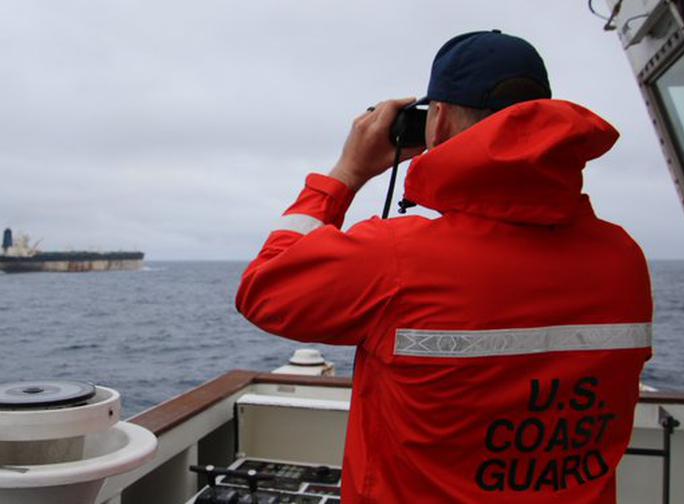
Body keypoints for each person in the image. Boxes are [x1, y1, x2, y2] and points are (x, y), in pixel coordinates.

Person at [235, 30, 653, 503]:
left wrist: (346, 174)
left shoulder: (395, 258)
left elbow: (264, 288)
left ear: (438, 119)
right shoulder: (623, 258)